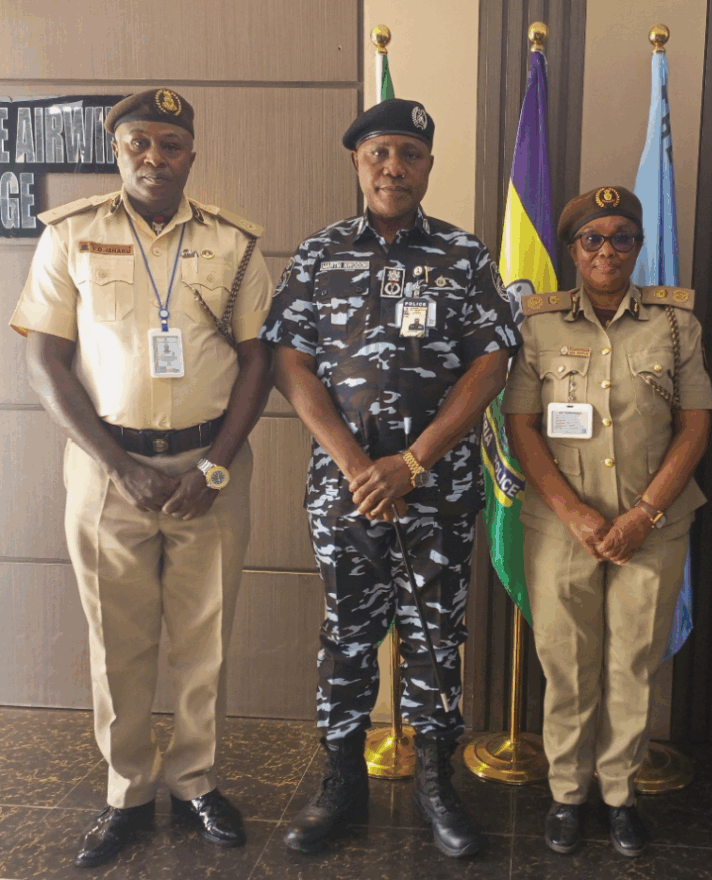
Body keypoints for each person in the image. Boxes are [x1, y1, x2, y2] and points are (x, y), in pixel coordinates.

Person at [10, 88, 274, 867]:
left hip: (210, 469)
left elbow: (259, 358)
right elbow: (44, 360)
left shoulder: (233, 242)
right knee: (116, 646)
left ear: (192, 153)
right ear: (116, 149)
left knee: (205, 642)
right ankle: (126, 791)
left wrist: (217, 465)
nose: (154, 158)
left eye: (170, 144)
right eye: (138, 144)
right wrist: (119, 466)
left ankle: (196, 782)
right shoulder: (71, 235)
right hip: (105, 473)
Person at [260, 98, 518, 858]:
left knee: (437, 637)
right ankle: (341, 784)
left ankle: (439, 786)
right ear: (357, 164)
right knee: (347, 635)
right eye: (380, 154)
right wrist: (356, 465)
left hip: (435, 494)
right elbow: (289, 363)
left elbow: (492, 363)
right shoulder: (317, 255)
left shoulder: (465, 257)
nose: (394, 168)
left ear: (429, 167)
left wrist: (412, 463)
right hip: (346, 496)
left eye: (409, 154)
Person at [502, 186, 712, 858]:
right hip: (561, 527)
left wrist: (645, 513)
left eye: (623, 236)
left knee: (632, 664)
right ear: (571, 249)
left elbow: (696, 424)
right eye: (593, 238)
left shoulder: (676, 323)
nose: (608, 250)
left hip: (655, 525)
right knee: (566, 665)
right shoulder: (537, 325)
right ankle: (568, 792)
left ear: (639, 246)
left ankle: (618, 793)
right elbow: (521, 426)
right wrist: (574, 511)